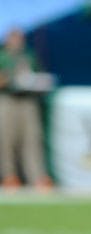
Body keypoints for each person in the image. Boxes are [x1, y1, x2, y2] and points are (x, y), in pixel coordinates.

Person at [0, 27, 55, 192]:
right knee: (6, 139)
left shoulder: (29, 55)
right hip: (8, 98)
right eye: (14, 37)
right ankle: (9, 176)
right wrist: (10, 79)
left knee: (32, 138)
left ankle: (37, 177)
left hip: (28, 99)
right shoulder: (3, 57)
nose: (17, 41)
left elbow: (38, 75)